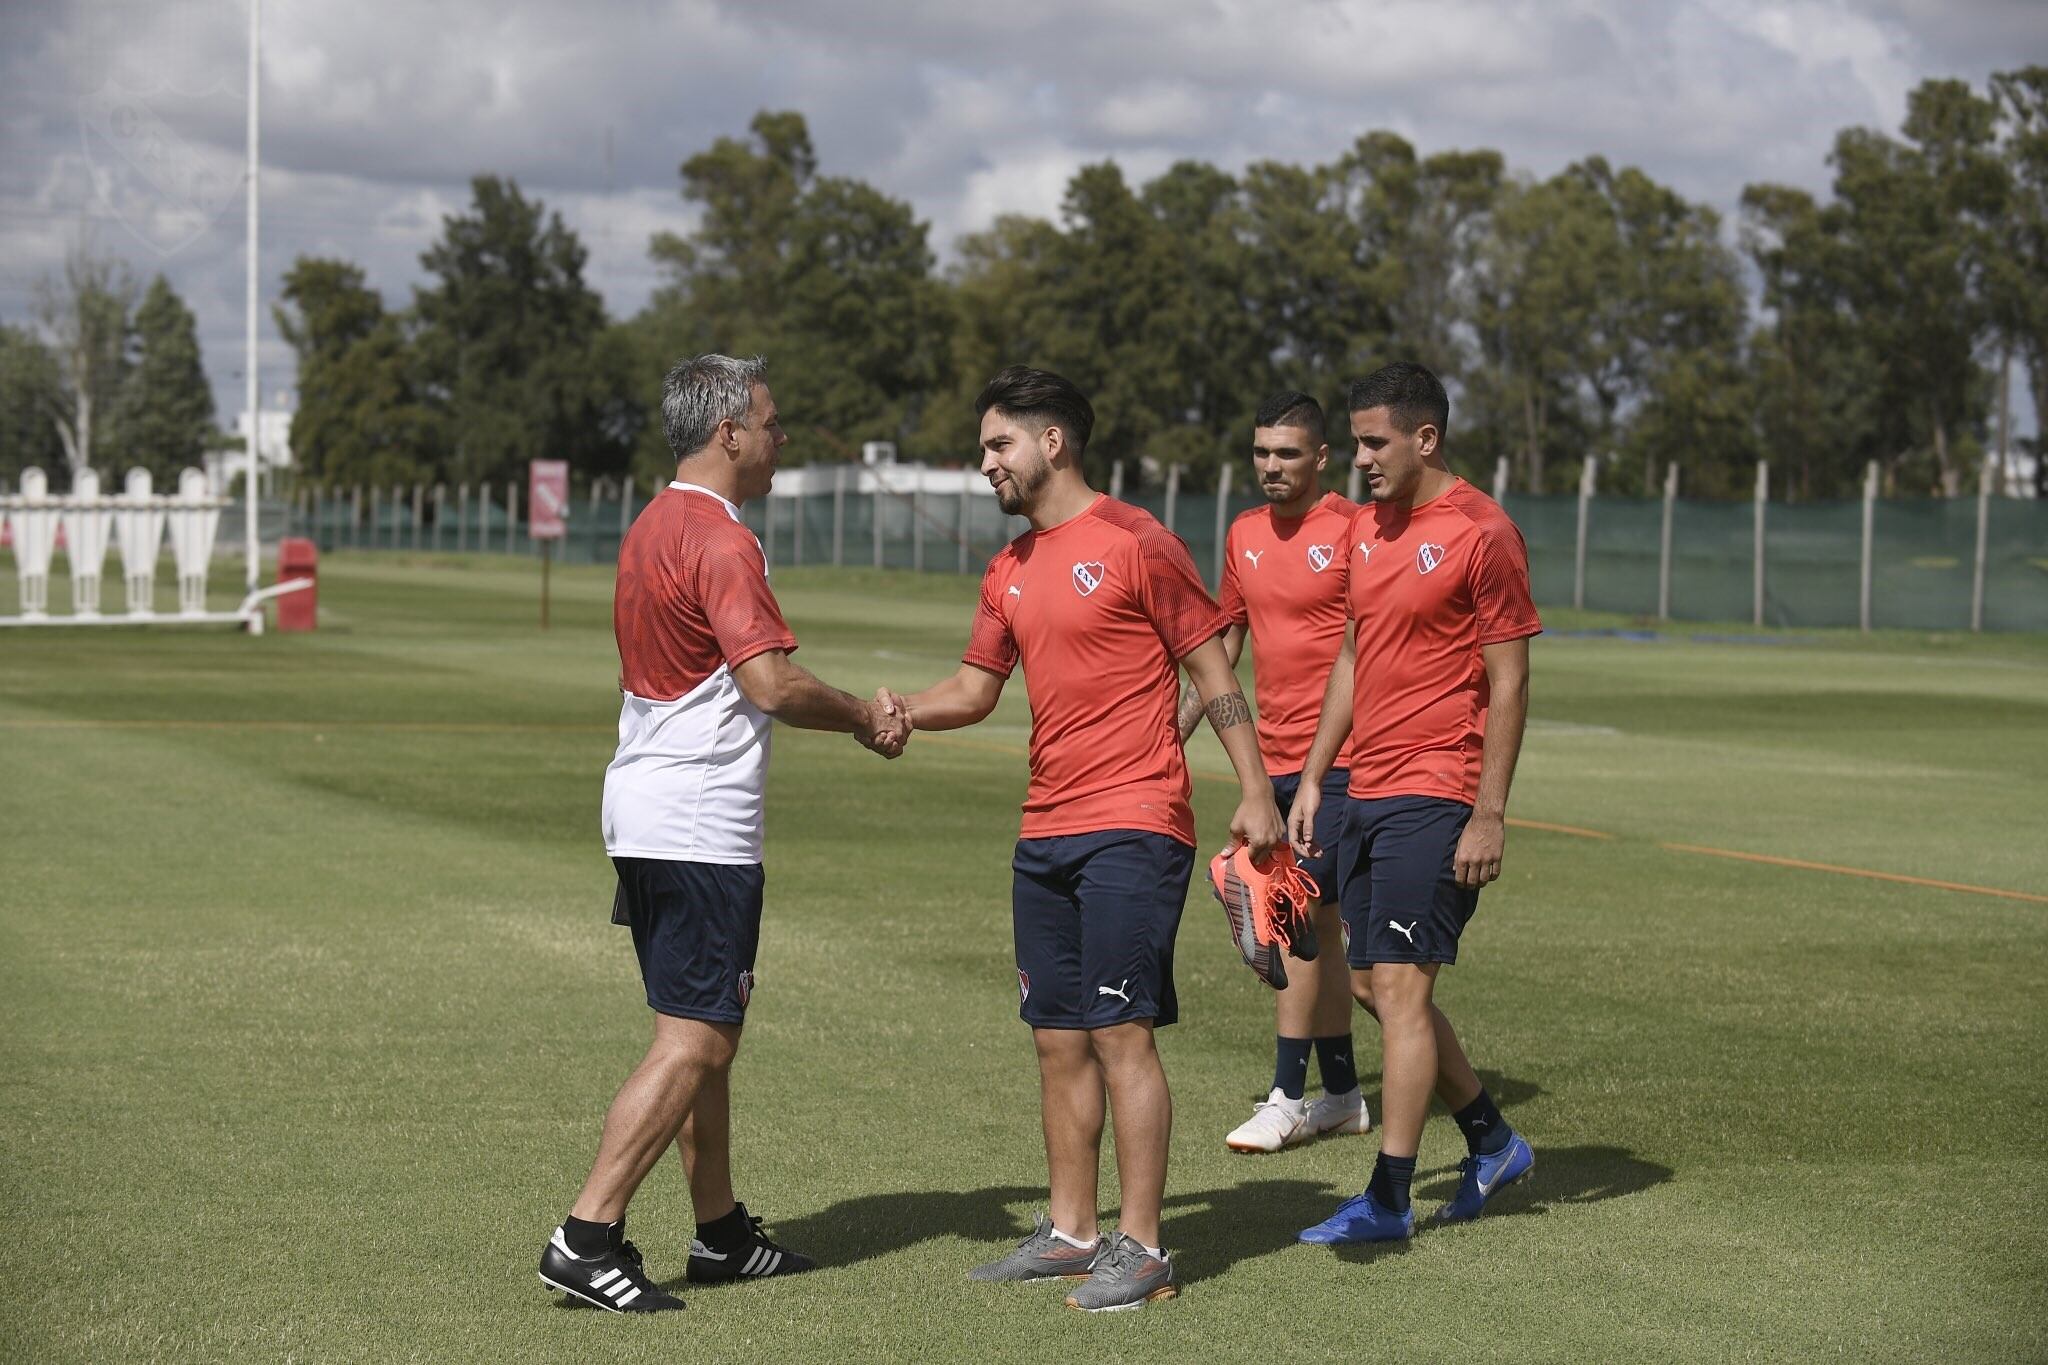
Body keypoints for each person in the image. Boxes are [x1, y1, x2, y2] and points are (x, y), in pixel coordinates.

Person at [880, 365, 1285, 1313]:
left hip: (1134, 823)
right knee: (1057, 1038)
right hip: (1045, 829)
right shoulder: (1009, 568)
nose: (986, 464)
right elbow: (975, 690)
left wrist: (1258, 790)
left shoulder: (1137, 541)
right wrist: (889, 710)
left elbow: (1213, 668)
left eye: (997, 444)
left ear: (1050, 441)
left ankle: (1142, 1247)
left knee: (1119, 1031)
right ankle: (1072, 1232)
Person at [538, 354, 909, 1313]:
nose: (781, 438)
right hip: (698, 821)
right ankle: (587, 1234)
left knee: (698, 1031)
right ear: (729, 431)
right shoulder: (721, 537)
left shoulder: (653, 521)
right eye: (773, 423)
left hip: (646, 807)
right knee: (698, 1036)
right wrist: (867, 718)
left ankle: (719, 1232)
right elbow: (772, 683)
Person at [1288, 361, 1541, 1245]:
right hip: (1365, 784)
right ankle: (1493, 1141)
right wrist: (1318, 773)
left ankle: (1389, 1198)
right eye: (1356, 441)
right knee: (1367, 981)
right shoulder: (1365, 527)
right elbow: (1355, 655)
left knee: (1397, 985)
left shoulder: (1482, 531)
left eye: (1371, 441)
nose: (1357, 457)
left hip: (1440, 788)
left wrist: (1490, 809)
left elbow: (1508, 682)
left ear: (1424, 438)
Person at [1176, 390, 1369, 1153]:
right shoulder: (1245, 533)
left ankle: (1287, 1095)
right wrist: (1172, 735)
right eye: (1261, 453)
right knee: (1317, 927)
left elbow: (1370, 648)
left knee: (1289, 920)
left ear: (1322, 458)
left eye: (1287, 454)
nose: (1271, 467)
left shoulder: (1355, 529)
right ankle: (1346, 1093)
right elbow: (1219, 648)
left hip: (1343, 764)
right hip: (1272, 761)